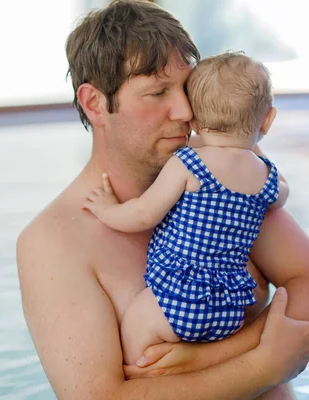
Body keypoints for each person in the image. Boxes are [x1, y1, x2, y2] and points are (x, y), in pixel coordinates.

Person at [16, 1, 309, 399]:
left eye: (187, 87)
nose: (186, 109)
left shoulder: (223, 181)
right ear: (94, 103)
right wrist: (263, 364)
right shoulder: (54, 243)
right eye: (158, 92)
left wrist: (208, 359)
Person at [82, 51, 290, 365]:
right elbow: (282, 193)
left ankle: (142, 372)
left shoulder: (189, 164)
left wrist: (106, 209)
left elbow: (142, 214)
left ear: (192, 120)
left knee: (135, 342)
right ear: (268, 119)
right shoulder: (266, 177)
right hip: (230, 307)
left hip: (179, 298)